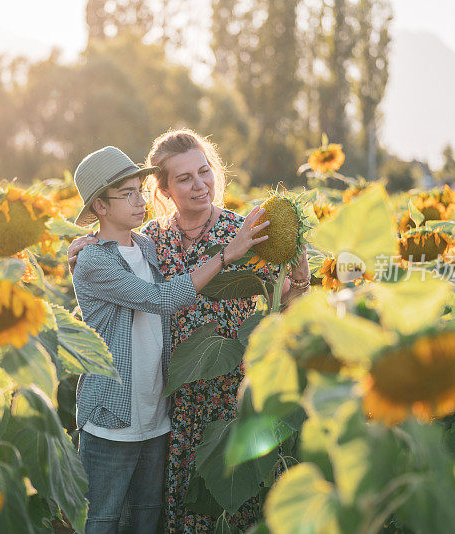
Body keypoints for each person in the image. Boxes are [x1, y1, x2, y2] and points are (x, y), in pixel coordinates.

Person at [69, 130, 310, 533]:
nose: (200, 185)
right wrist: (84, 246)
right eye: (184, 179)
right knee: (166, 513)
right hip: (172, 403)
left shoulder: (245, 233)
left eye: (205, 172)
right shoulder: (153, 240)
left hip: (226, 397)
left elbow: (287, 301)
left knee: (226, 505)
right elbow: (118, 263)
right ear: (163, 189)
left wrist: (301, 283)